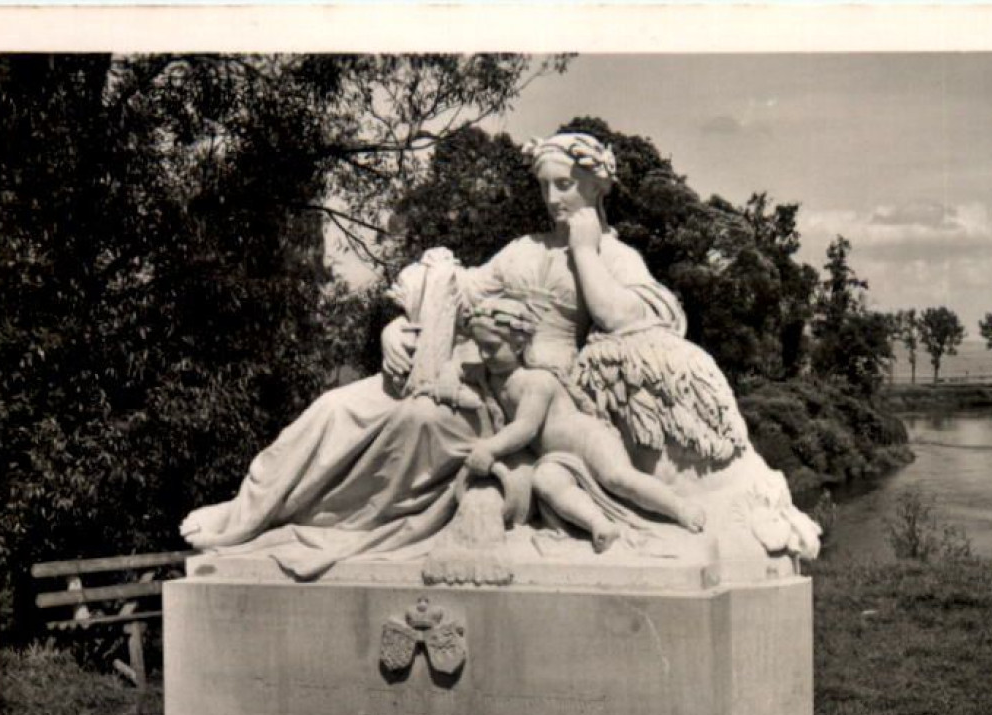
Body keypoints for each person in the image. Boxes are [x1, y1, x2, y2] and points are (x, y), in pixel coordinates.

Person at [178, 131, 692, 578]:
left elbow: (625, 317)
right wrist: (398, 328)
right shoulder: (522, 249)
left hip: (514, 401)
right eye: (544, 186)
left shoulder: (614, 256)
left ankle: (318, 522)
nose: (552, 198)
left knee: (417, 421)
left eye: (565, 185)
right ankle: (252, 512)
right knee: (334, 408)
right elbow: (461, 290)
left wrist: (585, 248)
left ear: (597, 186)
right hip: (465, 368)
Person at [464, 297, 705, 552]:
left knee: (619, 479)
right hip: (554, 457)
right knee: (547, 482)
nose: (483, 355)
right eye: (479, 347)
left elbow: (526, 427)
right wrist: (446, 379)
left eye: (490, 347)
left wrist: (490, 448)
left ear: (518, 344)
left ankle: (680, 508)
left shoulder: (536, 380)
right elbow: (457, 370)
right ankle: (599, 525)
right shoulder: (489, 376)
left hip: (587, 439)